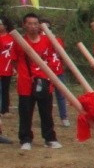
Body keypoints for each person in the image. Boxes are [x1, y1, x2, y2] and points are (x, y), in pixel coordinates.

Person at [14, 13, 61, 151]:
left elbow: (53, 57)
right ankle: (25, 139)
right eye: (29, 23)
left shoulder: (47, 41)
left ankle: (49, 138)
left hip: (44, 80)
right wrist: (22, 73)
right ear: (24, 25)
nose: (33, 26)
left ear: (39, 25)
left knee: (46, 112)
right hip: (26, 83)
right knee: (25, 112)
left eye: (35, 23)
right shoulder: (19, 41)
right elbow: (15, 60)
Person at [0, 16, 14, 119]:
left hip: (7, 66)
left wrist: (14, 67)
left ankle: (5, 109)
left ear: (5, 26)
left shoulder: (11, 37)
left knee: (5, 89)